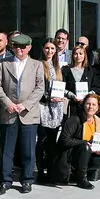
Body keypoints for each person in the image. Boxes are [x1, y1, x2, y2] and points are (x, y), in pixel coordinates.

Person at [0, 34, 45, 195]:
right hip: (8, 112)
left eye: (23, 47)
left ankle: (27, 180)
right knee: (6, 150)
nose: (19, 50)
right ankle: (5, 181)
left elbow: (40, 88)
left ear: (29, 47)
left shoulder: (37, 65)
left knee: (28, 150)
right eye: (16, 46)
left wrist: (25, 105)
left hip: (28, 113)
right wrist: (7, 103)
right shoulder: (3, 63)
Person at [58, 93, 100, 189]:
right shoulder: (75, 119)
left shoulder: (98, 121)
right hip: (70, 154)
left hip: (87, 153)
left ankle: (77, 173)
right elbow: (64, 140)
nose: (90, 107)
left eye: (94, 104)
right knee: (85, 147)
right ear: (83, 105)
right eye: (88, 104)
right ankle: (81, 179)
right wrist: (84, 143)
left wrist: (99, 149)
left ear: (98, 107)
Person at [37, 38, 65, 184]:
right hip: (43, 107)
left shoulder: (58, 67)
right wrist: (48, 98)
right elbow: (36, 87)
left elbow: (62, 87)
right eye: (47, 48)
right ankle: (40, 171)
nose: (50, 51)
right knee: (42, 141)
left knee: (52, 142)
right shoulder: (38, 65)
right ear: (43, 49)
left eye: (52, 48)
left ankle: (51, 171)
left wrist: (67, 96)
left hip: (56, 108)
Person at [62, 44, 95, 118]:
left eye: (80, 54)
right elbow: (61, 87)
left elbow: (95, 87)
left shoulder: (90, 70)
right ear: (72, 56)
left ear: (84, 55)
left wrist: (87, 95)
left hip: (87, 106)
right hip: (71, 106)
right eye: (76, 54)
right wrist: (72, 95)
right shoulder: (65, 70)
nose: (78, 56)